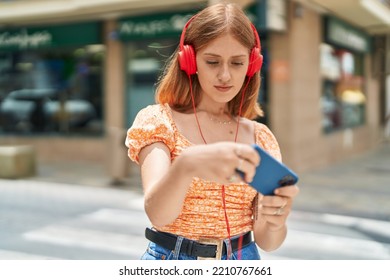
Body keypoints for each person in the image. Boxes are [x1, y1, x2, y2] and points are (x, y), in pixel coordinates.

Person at [125, 2, 299, 260]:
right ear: (189, 61)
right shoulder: (159, 121)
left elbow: (268, 242)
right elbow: (159, 215)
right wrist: (187, 164)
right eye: (213, 61)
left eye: (237, 63)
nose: (225, 75)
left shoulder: (261, 137)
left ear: (251, 66)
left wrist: (276, 220)